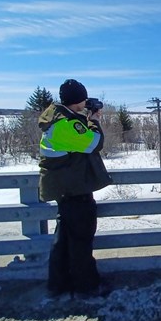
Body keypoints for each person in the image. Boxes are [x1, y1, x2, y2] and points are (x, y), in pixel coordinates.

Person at [38, 78, 112, 298]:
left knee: (63, 241)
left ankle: (58, 285)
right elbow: (94, 143)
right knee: (81, 241)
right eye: (83, 100)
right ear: (76, 101)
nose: (86, 103)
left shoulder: (59, 120)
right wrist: (94, 120)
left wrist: (85, 117)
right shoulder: (65, 126)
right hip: (75, 191)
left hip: (66, 190)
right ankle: (87, 287)